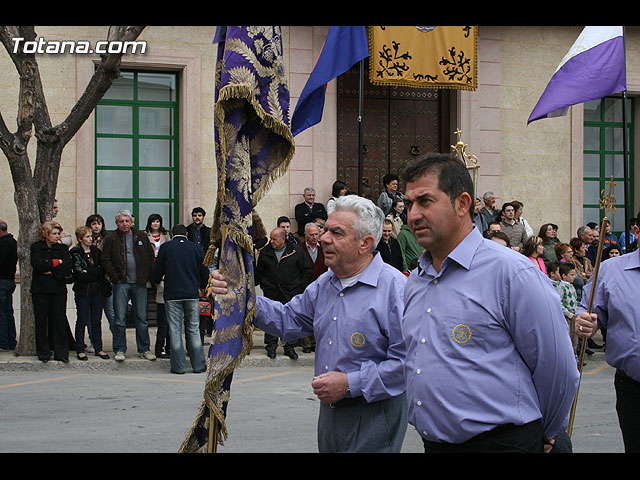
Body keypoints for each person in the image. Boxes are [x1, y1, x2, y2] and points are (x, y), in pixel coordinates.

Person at [400, 152, 579, 453]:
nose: (413, 214)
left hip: (503, 443)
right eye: (408, 204)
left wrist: (544, 433)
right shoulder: (417, 279)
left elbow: (557, 367)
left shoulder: (512, 272)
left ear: (462, 204)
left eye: (425, 201)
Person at [210, 195, 409, 452]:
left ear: (365, 243)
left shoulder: (395, 289)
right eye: (326, 230)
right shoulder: (326, 284)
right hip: (330, 412)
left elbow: (407, 364)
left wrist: (351, 384)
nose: (324, 238)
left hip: (374, 412)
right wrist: (240, 297)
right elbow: (288, 318)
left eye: (336, 233)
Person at [575, 212, 640, 452]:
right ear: (636, 232)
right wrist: (584, 322)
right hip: (633, 386)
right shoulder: (611, 270)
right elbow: (588, 310)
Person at [152, 224, 209, 374]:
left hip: (172, 294)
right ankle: (198, 365)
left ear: (172, 235)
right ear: (187, 235)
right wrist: (202, 286)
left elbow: (157, 269)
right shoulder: (195, 248)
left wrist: (155, 281)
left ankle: (178, 366)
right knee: (193, 329)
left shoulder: (166, 247)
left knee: (175, 329)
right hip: (191, 294)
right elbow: (204, 270)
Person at [101, 209, 156, 362]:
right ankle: (119, 349)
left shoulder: (142, 236)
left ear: (132, 221)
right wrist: (115, 277)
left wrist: (147, 275)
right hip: (121, 284)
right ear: (117, 223)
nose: (124, 224)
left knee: (142, 318)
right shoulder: (111, 238)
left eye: (127, 221)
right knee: (119, 318)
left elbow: (150, 256)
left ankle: (144, 349)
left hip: (139, 283)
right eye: (121, 221)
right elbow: (105, 259)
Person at [255, 227, 311, 359]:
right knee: (270, 318)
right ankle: (271, 346)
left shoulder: (295, 251)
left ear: (283, 238)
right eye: (271, 238)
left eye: (274, 239)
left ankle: (290, 347)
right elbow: (260, 272)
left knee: (290, 319)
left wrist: (299, 286)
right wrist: (265, 285)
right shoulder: (266, 252)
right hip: (272, 291)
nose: (272, 241)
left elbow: (306, 269)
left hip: (291, 291)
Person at [30, 221, 73, 363]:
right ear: (46, 234)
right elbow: (38, 265)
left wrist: (53, 271)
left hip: (58, 288)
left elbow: (67, 266)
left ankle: (61, 352)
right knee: (41, 320)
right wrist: (56, 263)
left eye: (58, 233)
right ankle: (43, 352)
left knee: (59, 319)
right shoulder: (36, 247)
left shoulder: (62, 248)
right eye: (54, 234)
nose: (57, 236)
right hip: (40, 289)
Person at [70, 226, 109, 360]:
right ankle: (80, 348)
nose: (90, 239)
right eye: (87, 237)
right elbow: (79, 274)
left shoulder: (96, 251)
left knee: (96, 320)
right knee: (82, 320)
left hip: (97, 290)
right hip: (83, 292)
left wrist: (90, 271)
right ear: (80, 239)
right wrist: (93, 272)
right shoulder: (76, 252)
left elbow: (102, 271)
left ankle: (99, 348)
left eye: (91, 236)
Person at [297, 222, 327, 353]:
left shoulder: (324, 249)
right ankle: (306, 343)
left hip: (322, 288)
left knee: (319, 316)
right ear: (305, 235)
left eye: (317, 234)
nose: (315, 237)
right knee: (305, 315)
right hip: (304, 287)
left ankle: (316, 342)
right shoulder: (299, 249)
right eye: (312, 235)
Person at [145, 214, 172, 359]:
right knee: (161, 316)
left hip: (164, 273)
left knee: (165, 317)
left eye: (157, 221)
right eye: (153, 221)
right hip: (152, 269)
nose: (155, 224)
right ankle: (159, 347)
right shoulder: (145, 235)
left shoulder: (166, 235)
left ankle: (166, 347)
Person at [548, 262, 578, 353]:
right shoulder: (561, 287)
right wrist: (568, 313)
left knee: (574, 338)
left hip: (573, 314)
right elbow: (558, 302)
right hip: (566, 316)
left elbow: (575, 299)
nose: (574, 277)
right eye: (572, 275)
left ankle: (574, 356)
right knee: (567, 338)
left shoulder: (571, 286)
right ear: (564, 275)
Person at [0, 220, 18, 352]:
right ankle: (11, 341)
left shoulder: (3, 243)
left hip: (2, 281)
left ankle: (4, 342)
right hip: (9, 280)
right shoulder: (13, 242)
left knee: (2, 313)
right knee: (8, 312)